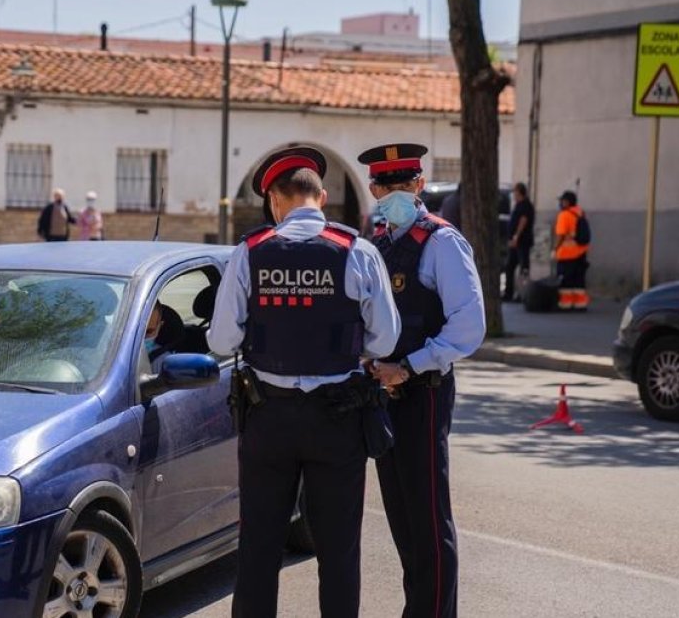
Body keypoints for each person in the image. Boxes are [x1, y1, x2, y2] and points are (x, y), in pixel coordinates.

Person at [208, 144, 401, 618]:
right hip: (338, 421)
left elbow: (221, 340)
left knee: (258, 549)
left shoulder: (249, 253)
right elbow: (386, 340)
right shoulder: (359, 251)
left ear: (275, 199)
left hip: (268, 418)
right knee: (338, 551)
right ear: (323, 194)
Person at [360, 143, 485, 618]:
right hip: (382, 394)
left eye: (403, 184)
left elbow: (468, 327)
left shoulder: (442, 242)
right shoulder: (378, 244)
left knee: (429, 524)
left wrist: (409, 366)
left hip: (422, 394)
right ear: (374, 189)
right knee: (402, 522)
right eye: (384, 186)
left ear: (419, 185)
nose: (393, 193)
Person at [554, 190, 590, 310]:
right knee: (579, 280)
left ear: (567, 202)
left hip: (567, 254)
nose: (560, 203)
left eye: (562, 201)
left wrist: (555, 249)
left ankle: (566, 304)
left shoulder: (564, 215)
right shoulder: (580, 213)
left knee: (566, 282)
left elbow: (561, 235)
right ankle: (580, 304)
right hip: (581, 252)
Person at [502, 182, 535, 302]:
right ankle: (509, 292)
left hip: (522, 242)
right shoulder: (518, 205)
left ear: (519, 192)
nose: (514, 195)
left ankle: (523, 294)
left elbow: (523, 221)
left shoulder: (525, 205)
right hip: (516, 242)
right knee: (509, 267)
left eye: (515, 192)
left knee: (523, 268)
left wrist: (516, 237)